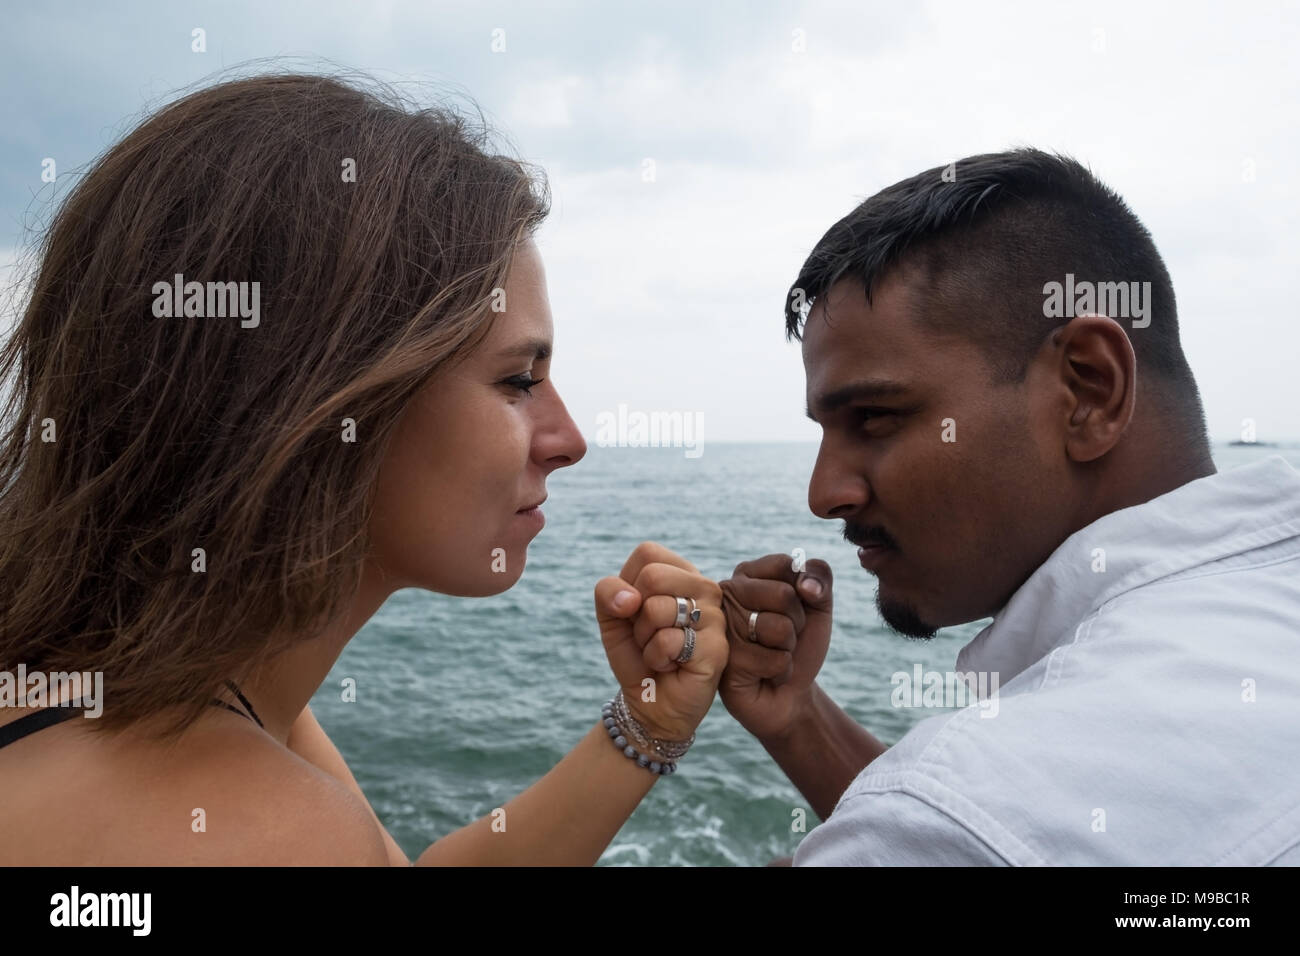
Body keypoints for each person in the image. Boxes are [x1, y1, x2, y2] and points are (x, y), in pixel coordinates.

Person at [0, 72, 727, 865]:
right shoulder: (267, 829)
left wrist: (648, 726)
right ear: (313, 394)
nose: (570, 438)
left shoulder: (162, 688)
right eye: (519, 380)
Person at [716, 148, 1300, 865]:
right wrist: (799, 718)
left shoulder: (952, 823)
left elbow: (967, 830)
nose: (824, 495)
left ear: (1088, 390)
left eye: (874, 417)